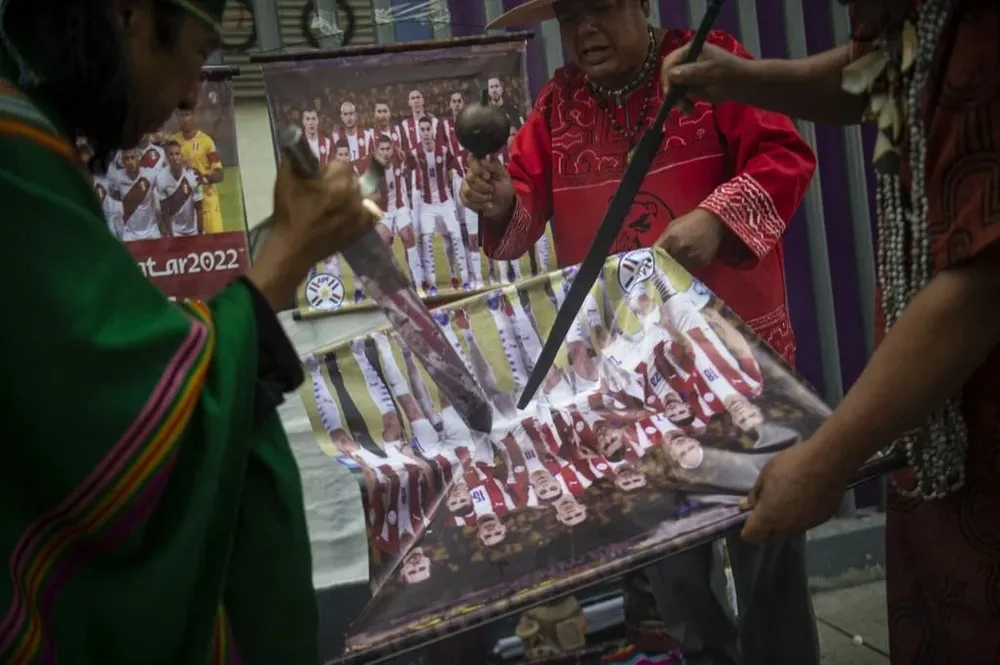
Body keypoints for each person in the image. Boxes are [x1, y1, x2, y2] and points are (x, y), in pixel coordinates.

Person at [0, 1, 372, 663]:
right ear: (128, 15)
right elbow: (120, 419)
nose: (192, 96)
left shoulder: (37, 137)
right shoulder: (12, 156)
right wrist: (287, 254)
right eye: (199, 53)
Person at [461, 1, 819, 663]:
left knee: (768, 549)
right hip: (634, 382)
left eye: (600, 7)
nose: (584, 31)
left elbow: (785, 155)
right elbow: (520, 207)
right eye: (570, 18)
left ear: (644, 5)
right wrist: (502, 199)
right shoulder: (557, 105)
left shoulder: (705, 65)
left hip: (737, 365)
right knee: (674, 577)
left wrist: (716, 220)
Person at [659, 1, 1000, 662]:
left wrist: (829, 457)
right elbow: (881, 72)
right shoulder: (917, 21)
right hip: (921, 412)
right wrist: (742, 78)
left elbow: (980, 286)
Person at [172, 107, 224, 233]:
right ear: (177, 117)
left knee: (215, 240)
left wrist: (204, 179)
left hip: (207, 203)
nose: (184, 119)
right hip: (185, 207)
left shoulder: (206, 142)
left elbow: (219, 174)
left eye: (187, 115)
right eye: (181, 115)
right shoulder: (173, 142)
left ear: (193, 116)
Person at [156, 139, 204, 236]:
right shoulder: (161, 177)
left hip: (193, 229)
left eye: (177, 154)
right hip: (175, 231)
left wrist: (200, 232)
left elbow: (199, 207)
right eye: (171, 154)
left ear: (181, 155)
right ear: (166, 157)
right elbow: (165, 211)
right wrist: (171, 234)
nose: (175, 157)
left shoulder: (192, 175)